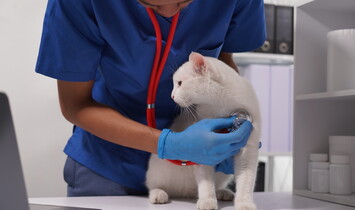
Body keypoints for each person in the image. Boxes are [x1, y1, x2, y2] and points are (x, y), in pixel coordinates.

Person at [35, 0, 266, 197]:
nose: (170, 12)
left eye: (185, 2)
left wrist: (235, 121)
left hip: (191, 168)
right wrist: (170, 144)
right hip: (107, 162)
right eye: (150, 4)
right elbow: (75, 104)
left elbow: (222, 65)